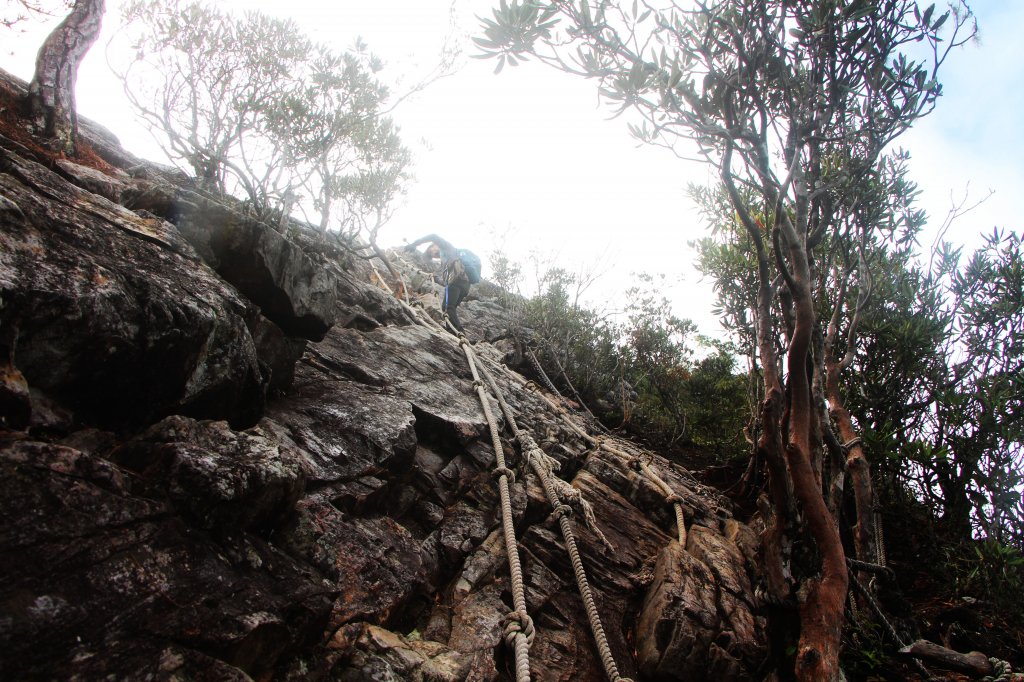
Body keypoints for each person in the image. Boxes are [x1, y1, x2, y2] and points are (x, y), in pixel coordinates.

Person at [404, 234, 471, 333]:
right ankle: (453, 330)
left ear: (436, 244)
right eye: (431, 254)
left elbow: (433, 236)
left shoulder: (446, 247)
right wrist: (436, 279)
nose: (432, 252)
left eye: (431, 249)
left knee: (447, 307)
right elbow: (445, 283)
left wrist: (415, 244)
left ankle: (458, 332)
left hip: (456, 281)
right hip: (464, 284)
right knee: (450, 308)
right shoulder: (446, 261)